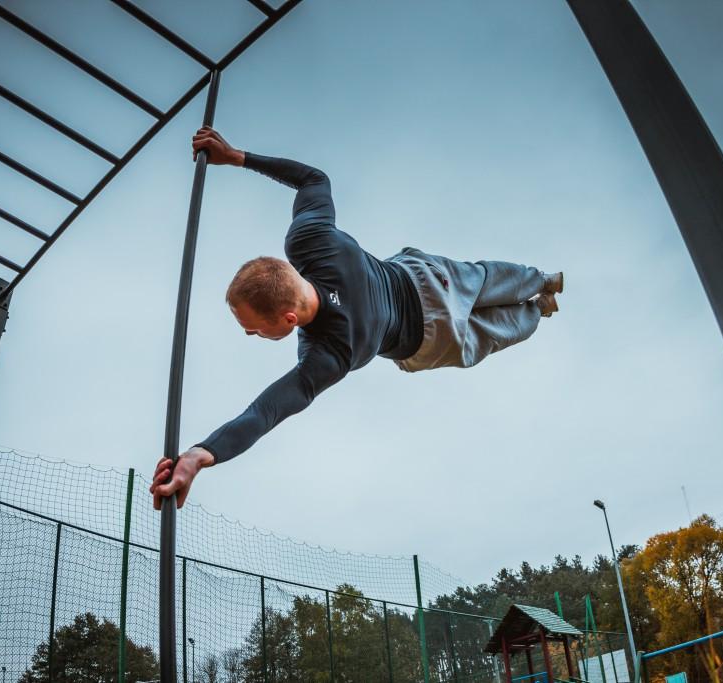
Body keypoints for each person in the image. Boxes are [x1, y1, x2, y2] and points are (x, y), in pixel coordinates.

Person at [150, 127, 563, 509]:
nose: (252, 335)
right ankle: (541, 280)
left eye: (255, 329)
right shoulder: (309, 241)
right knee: (487, 278)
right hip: (426, 279)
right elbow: (314, 179)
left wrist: (202, 454)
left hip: (430, 339)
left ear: (290, 318)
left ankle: (537, 310)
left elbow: (265, 412)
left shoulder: (325, 355)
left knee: (492, 331)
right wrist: (235, 156)